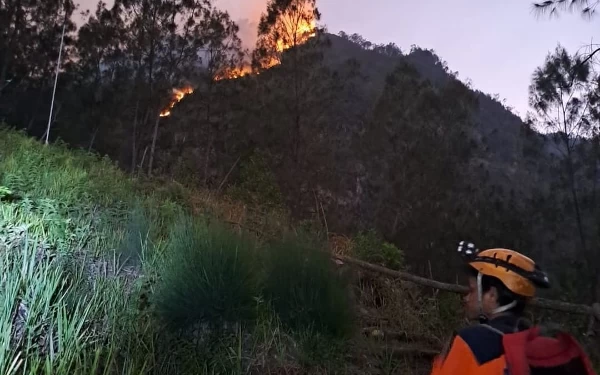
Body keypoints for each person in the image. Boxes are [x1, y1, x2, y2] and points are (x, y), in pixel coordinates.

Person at [429, 241, 596, 375]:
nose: (466, 297)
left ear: (492, 295)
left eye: (472, 290)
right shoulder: (537, 347)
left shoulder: (470, 341)